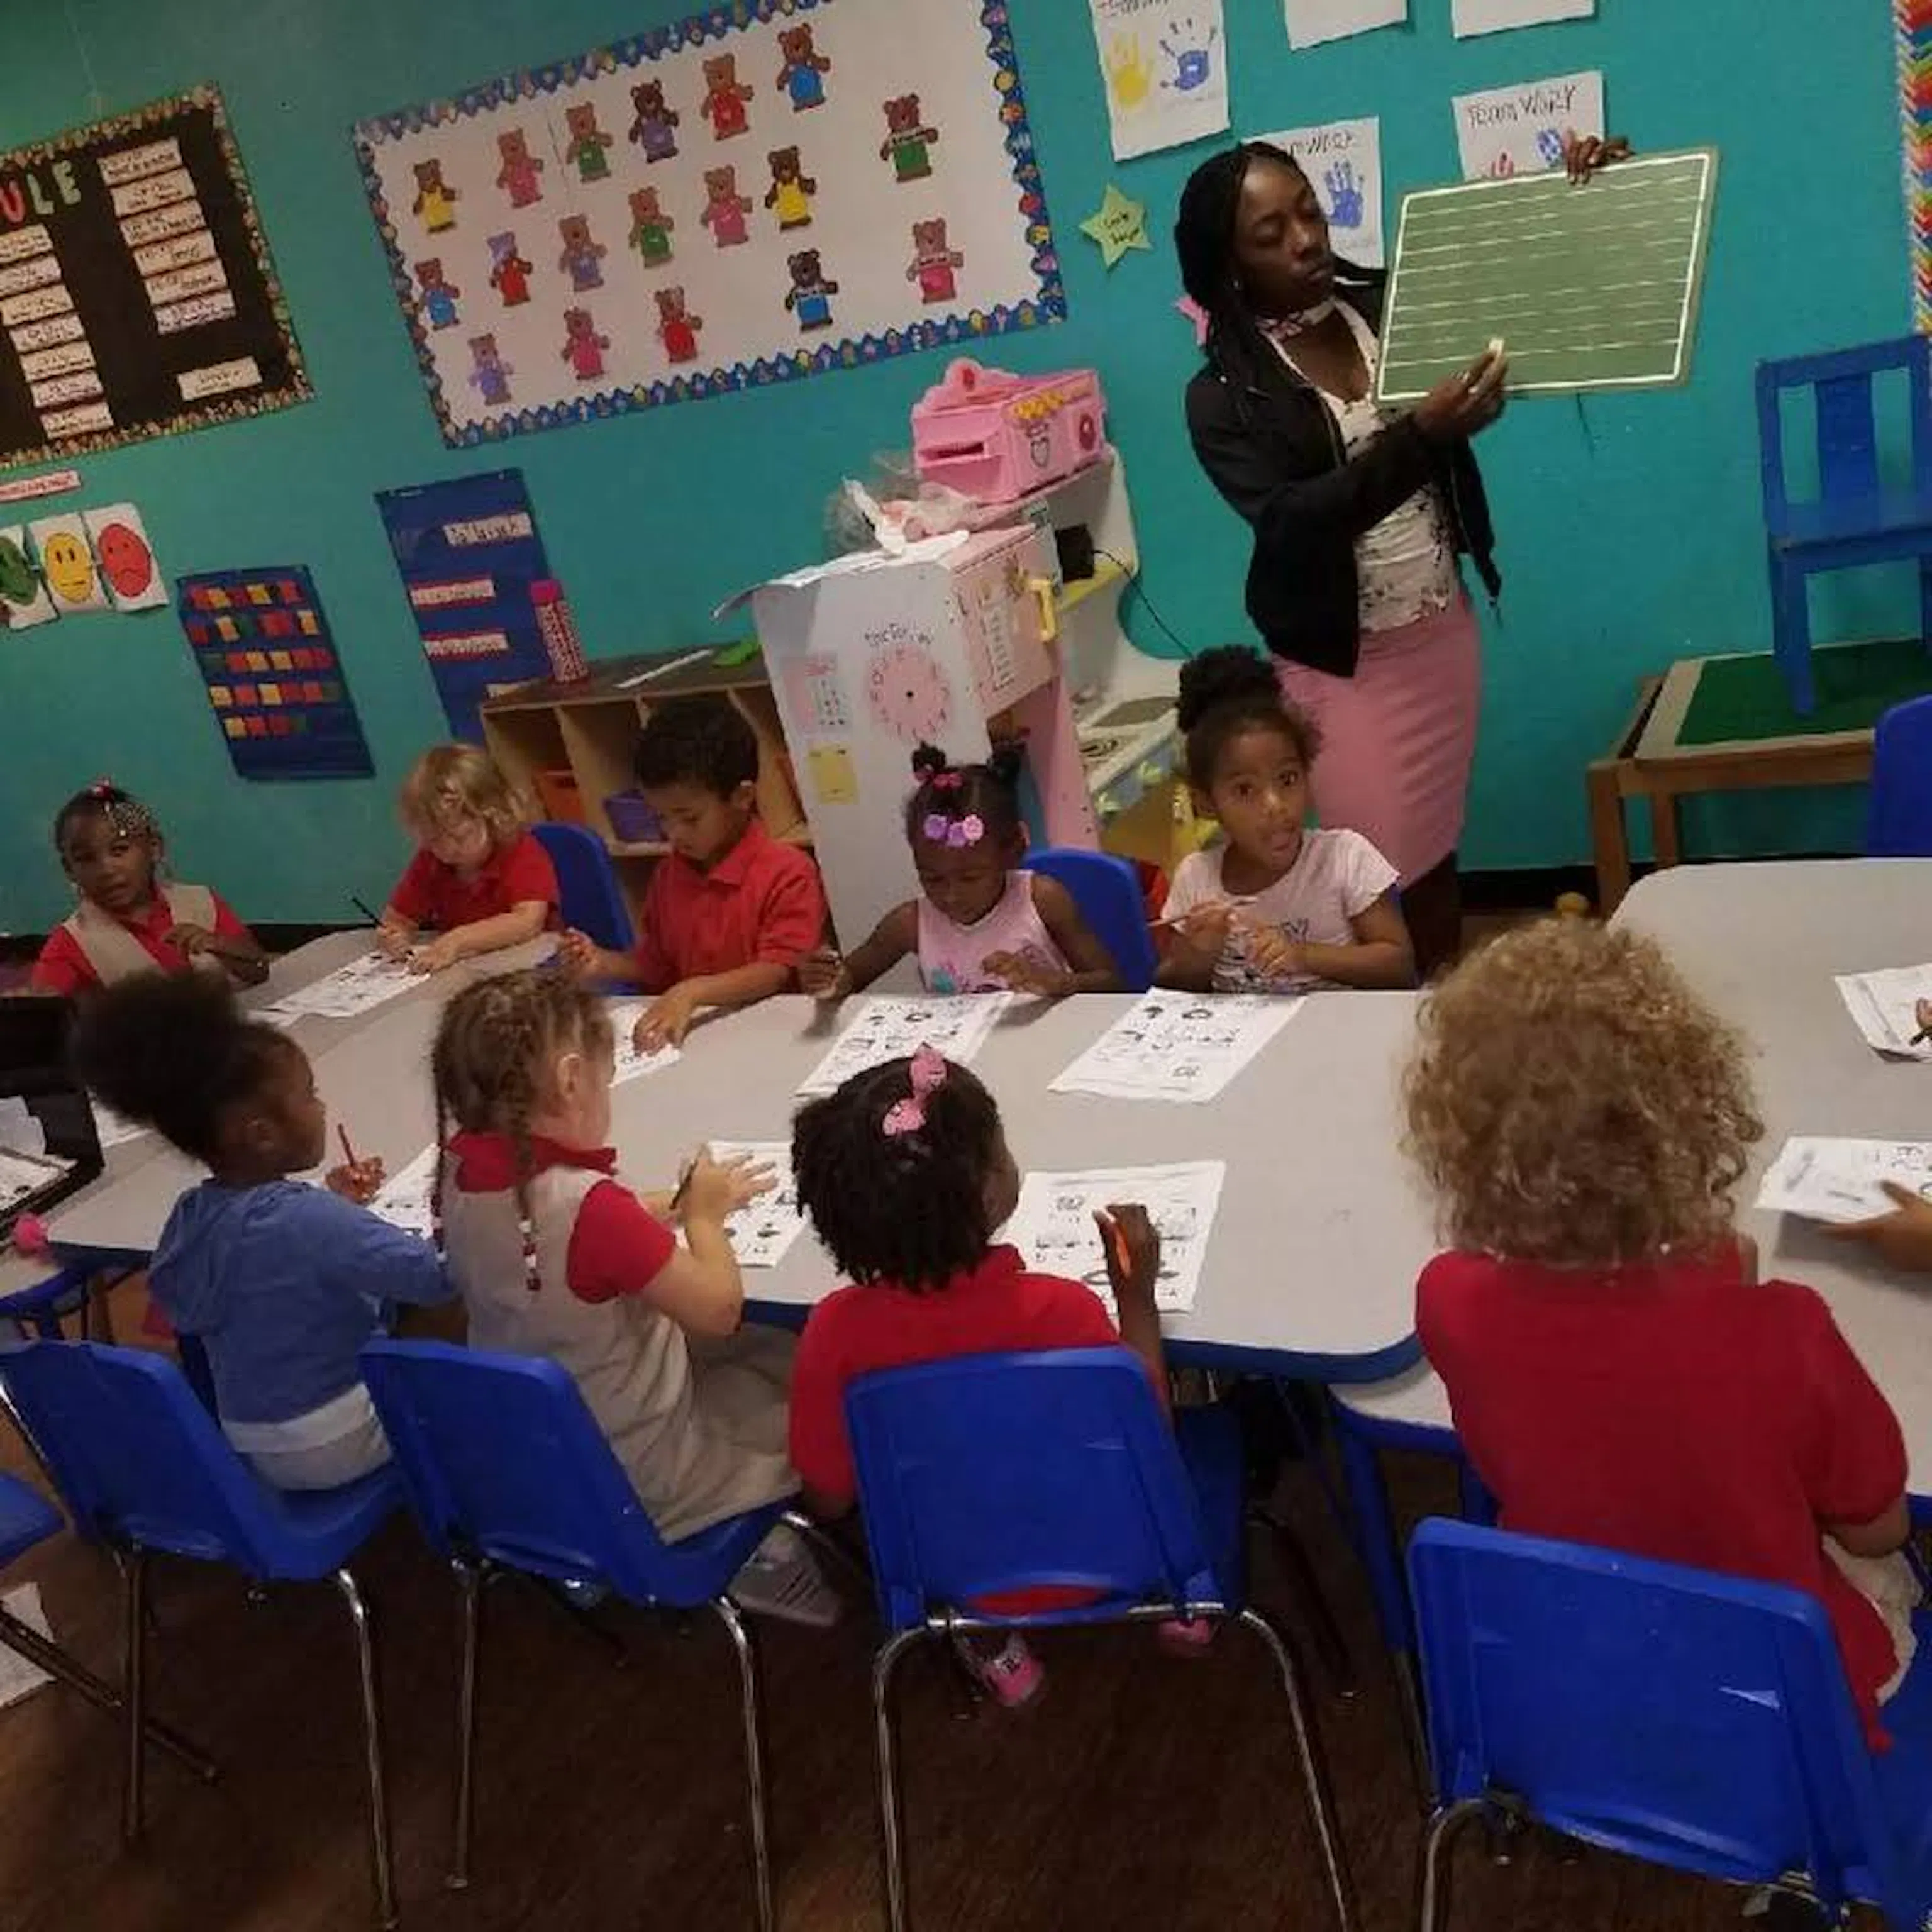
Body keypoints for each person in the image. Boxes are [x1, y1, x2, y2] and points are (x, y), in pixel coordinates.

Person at [1405, 920, 1916, 1746]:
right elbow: (1878, 1526)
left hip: (1582, 1655)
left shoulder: (1448, 1300)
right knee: (1892, 1570)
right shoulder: (1785, 1332)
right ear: (1693, 1115)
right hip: (1777, 1694)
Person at [1174, 136, 1623, 975]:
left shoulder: (1386, 306)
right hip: (1343, 666)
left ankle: (1442, 1011)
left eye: (1309, 212)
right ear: (1229, 266)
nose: (1306, 239)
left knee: (1436, 850)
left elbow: (1523, 294)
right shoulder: (1222, 396)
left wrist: (1578, 192)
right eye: (1270, 234)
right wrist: (1422, 436)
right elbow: (1293, 522)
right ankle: (1395, 1024)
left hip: (1440, 631)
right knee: (1378, 876)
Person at [431, 969, 838, 1626]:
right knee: (809, 1382)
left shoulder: (460, 1173)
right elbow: (720, 1310)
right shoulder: (590, 1209)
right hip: (644, 1470)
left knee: (761, 1355)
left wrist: (673, 1205)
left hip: (547, 1450)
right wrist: (702, 1218)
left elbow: (571, 1231)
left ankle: (586, 1557)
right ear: (571, 1080)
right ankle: (763, 1551)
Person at [789, 1048, 1169, 1706]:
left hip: (944, 1567)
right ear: (989, 1191)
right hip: (1113, 1553)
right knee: (1213, 1447)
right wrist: (1136, 1301)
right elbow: (1151, 1437)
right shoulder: (1061, 1310)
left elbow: (826, 1500)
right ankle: (1182, 1604)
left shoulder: (834, 1331)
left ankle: (994, 1647)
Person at [70, 974, 450, 1489]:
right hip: (339, 1438)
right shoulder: (308, 1220)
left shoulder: (192, 1215)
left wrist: (333, 1203)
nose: (321, 1107)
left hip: (255, 1443)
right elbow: (434, 1278)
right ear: (262, 1135)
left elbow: (266, 1259)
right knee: (454, 1326)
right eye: (310, 1095)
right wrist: (464, 1209)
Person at [560, 696, 826, 1052]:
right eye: (661, 818)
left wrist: (691, 992)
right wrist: (604, 963)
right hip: (699, 1042)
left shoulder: (788, 872)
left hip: (773, 1039)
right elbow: (656, 964)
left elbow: (775, 972)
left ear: (742, 796)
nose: (673, 833)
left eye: (689, 818)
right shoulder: (669, 875)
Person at [1159, 647, 1413, 994]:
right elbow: (1174, 989)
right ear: (1206, 803)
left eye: (1288, 779)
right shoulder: (1196, 877)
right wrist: (1199, 954)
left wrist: (1305, 956)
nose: (1276, 805)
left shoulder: (1344, 858)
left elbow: (1399, 968)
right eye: (1245, 790)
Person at [798, 743, 1123, 1000]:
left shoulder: (1042, 900)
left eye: (970, 878)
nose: (951, 896)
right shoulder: (910, 923)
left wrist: (1058, 983)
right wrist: (829, 980)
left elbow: (1113, 984)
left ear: (1012, 851)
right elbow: (850, 978)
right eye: (932, 878)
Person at [33, 782, 269, 995]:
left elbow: (259, 969)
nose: (106, 870)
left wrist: (218, 944)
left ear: (154, 848)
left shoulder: (202, 903)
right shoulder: (69, 945)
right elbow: (41, 1017)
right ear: (69, 870)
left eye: (119, 850)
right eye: (86, 859)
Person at [378, 744, 559, 975]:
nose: (446, 850)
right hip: (469, 970)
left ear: (494, 816)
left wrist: (459, 940)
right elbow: (398, 919)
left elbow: (527, 922)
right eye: (433, 839)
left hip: (534, 969)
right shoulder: (431, 861)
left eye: (459, 837)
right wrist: (395, 935)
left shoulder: (520, 852)